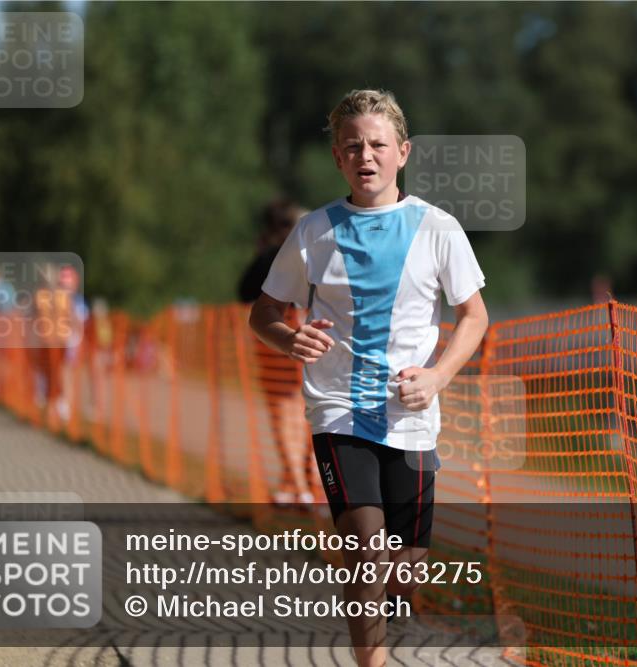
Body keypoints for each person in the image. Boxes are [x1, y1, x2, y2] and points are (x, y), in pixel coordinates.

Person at [249, 89, 488, 667]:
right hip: (337, 409)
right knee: (365, 554)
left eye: (378, 144)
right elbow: (262, 315)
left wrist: (436, 378)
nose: (367, 155)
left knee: (405, 576)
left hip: (412, 418)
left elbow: (474, 317)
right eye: (353, 145)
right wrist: (288, 338)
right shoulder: (313, 231)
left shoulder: (438, 227)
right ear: (337, 157)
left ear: (402, 152)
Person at [238, 198, 316, 508]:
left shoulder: (273, 257)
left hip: (281, 343)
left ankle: (299, 485)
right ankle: (296, 482)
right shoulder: (305, 255)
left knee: (288, 413)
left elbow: (244, 291)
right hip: (302, 340)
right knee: (302, 413)